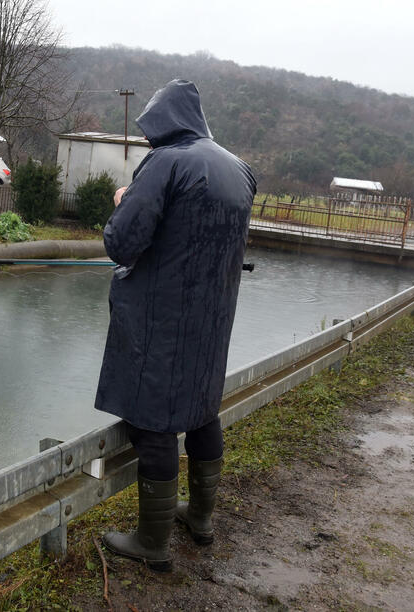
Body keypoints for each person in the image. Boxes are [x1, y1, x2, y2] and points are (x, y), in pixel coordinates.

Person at [95, 79, 256, 571]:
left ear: (165, 123)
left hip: (160, 319)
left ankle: (152, 542)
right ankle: (201, 519)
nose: (148, 140)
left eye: (151, 130)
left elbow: (123, 244)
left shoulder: (166, 162)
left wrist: (124, 201)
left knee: (156, 422)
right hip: (213, 318)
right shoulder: (239, 169)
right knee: (203, 410)